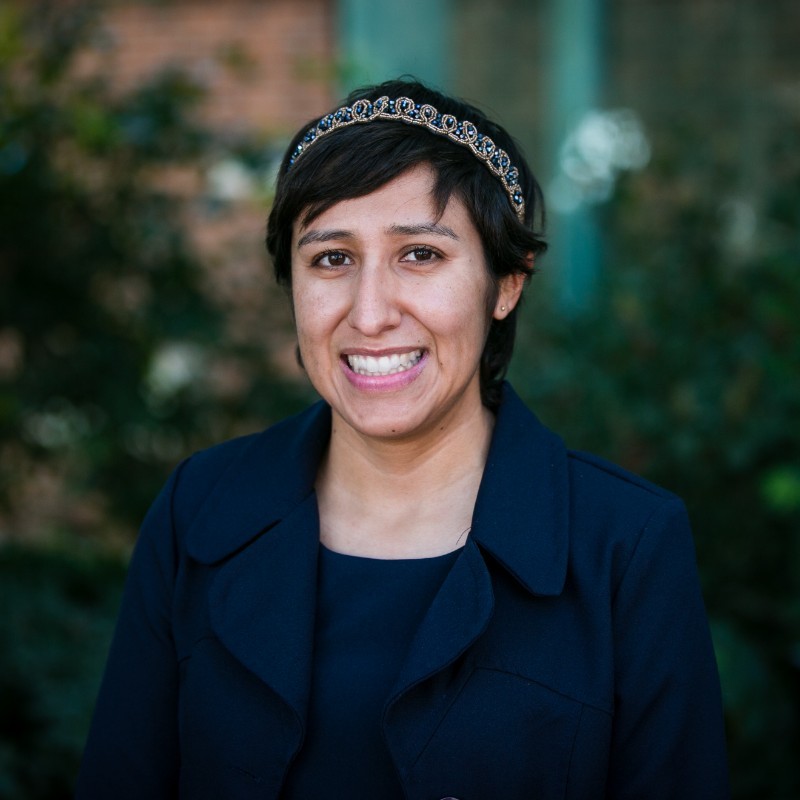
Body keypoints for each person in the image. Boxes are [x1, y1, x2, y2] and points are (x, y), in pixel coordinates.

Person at [76, 79, 730, 799]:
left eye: (420, 254)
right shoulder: (197, 511)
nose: (370, 313)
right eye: (332, 258)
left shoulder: (627, 544)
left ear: (506, 283)